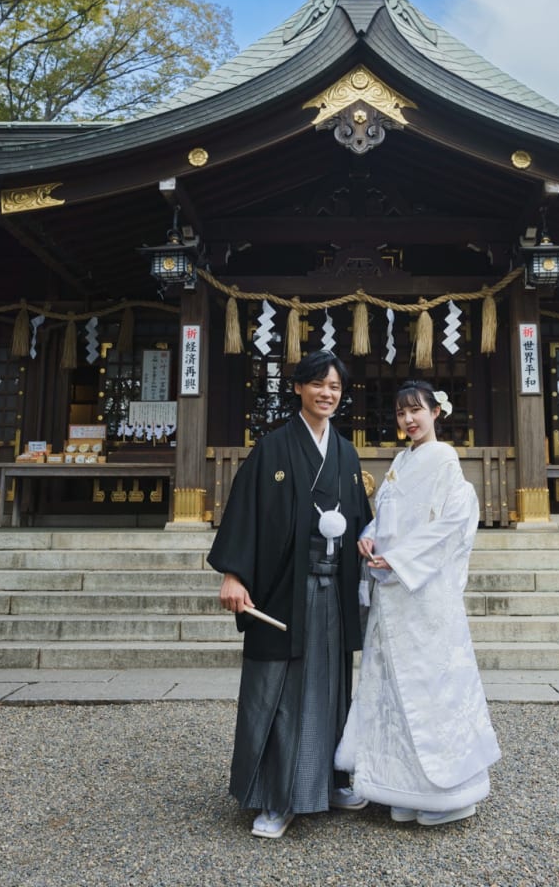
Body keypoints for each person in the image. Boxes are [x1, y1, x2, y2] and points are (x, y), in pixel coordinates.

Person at [208, 349, 373, 839]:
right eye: (318, 384)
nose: (327, 394)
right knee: (280, 693)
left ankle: (330, 778)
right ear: (298, 388)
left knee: (330, 688)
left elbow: (361, 521)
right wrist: (234, 575)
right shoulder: (273, 448)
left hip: (333, 593)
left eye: (336, 388)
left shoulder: (345, 452)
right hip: (286, 592)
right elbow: (246, 511)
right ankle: (277, 797)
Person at [335, 379, 500, 826]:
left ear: (435, 413)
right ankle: (405, 787)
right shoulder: (400, 463)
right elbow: (384, 517)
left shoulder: (444, 460)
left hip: (422, 593)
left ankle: (450, 793)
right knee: (395, 690)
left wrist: (402, 557)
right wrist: (368, 541)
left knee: (431, 687)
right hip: (392, 586)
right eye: (401, 412)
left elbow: (451, 524)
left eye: (416, 410)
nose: (409, 420)